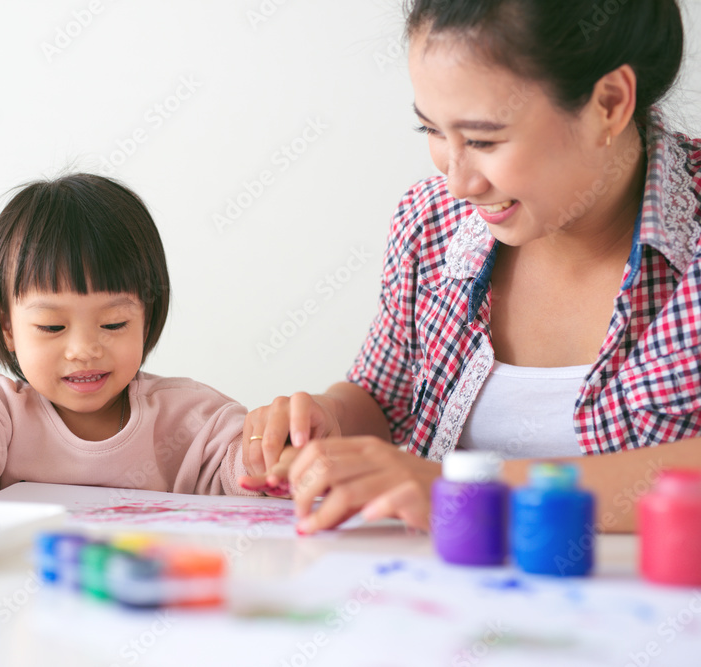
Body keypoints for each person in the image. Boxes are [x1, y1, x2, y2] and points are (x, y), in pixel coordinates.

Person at [242, 0, 701, 534]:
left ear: (609, 103)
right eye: (432, 132)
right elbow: (382, 398)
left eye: (484, 139)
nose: (459, 182)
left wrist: (457, 492)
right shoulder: (432, 220)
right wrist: (327, 420)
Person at [0, 173, 255, 498]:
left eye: (114, 324)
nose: (84, 350)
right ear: (7, 328)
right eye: (52, 327)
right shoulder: (4, 419)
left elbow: (255, 469)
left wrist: (280, 458)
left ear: (147, 320)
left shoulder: (188, 418)